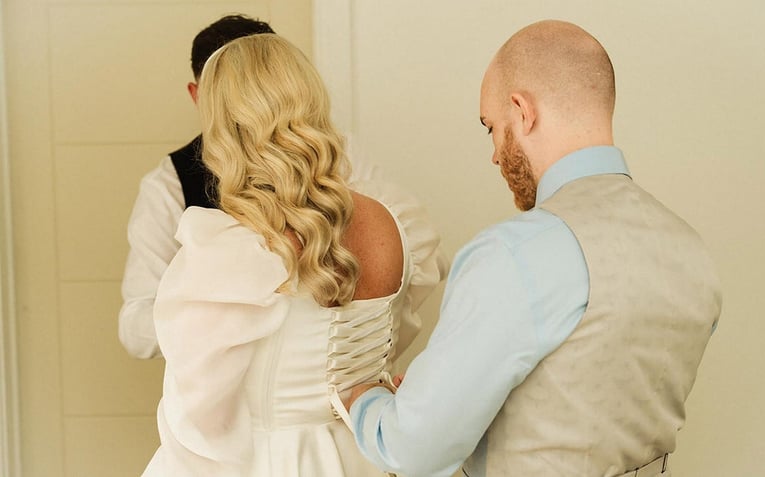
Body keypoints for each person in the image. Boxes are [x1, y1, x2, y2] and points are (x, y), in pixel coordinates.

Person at [345, 20, 722, 477]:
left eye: (491, 127)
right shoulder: (687, 248)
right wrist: (438, 401)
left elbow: (413, 450)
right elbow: (585, 394)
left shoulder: (516, 253)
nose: (495, 155)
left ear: (522, 111)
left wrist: (365, 398)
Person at [142, 33, 443, 476]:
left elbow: (196, 424)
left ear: (224, 124)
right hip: (368, 457)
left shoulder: (227, 248)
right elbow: (400, 333)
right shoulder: (391, 222)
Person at [119, 14, 445, 360]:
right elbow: (135, 328)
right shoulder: (168, 186)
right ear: (198, 95)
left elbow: (422, 254)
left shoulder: (339, 155)